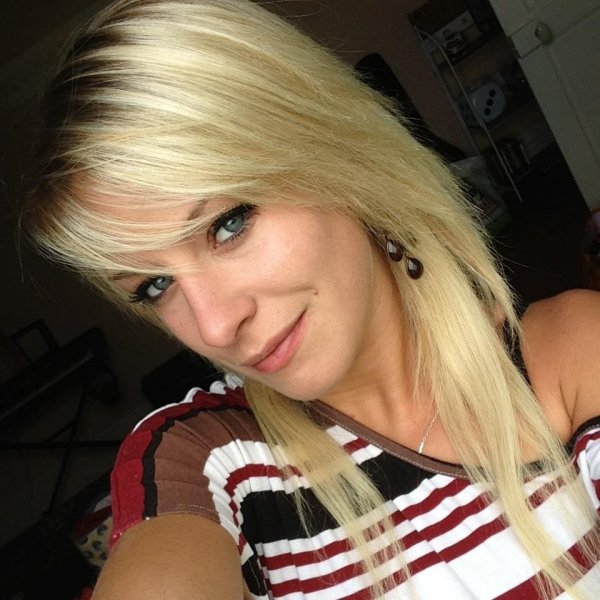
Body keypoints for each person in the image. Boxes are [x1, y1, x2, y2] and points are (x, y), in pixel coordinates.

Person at [22, 0, 600, 598]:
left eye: (228, 224)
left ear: (335, 154)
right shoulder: (205, 462)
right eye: (155, 286)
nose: (215, 327)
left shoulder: (568, 356)